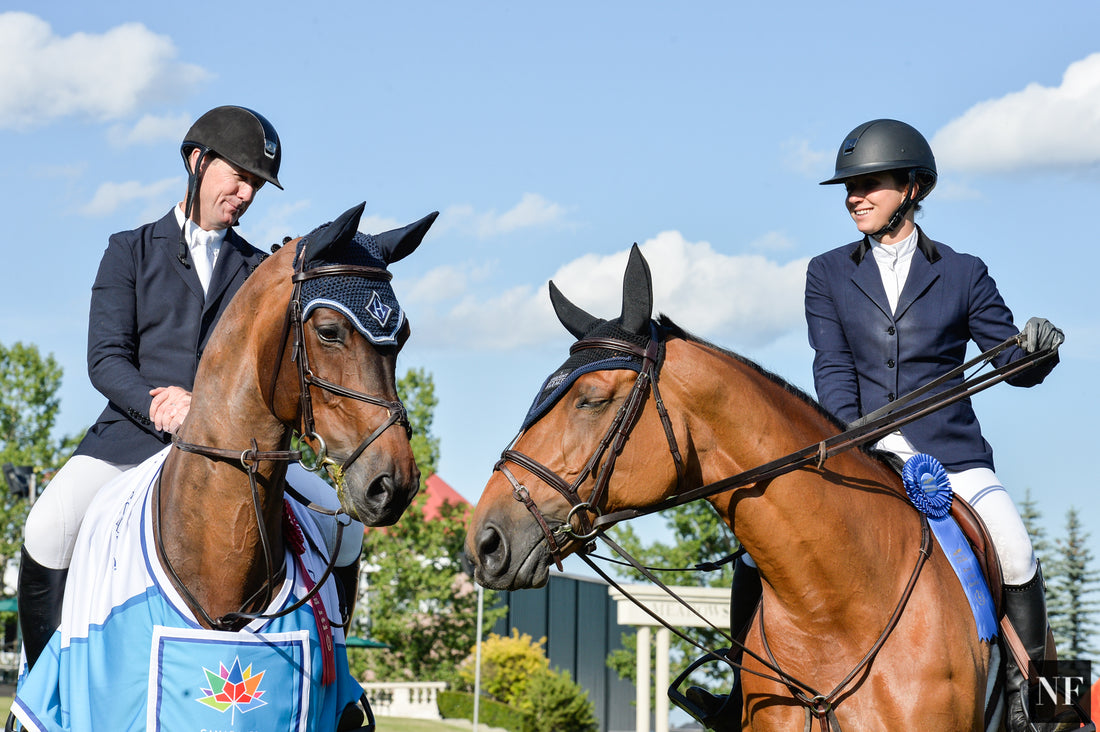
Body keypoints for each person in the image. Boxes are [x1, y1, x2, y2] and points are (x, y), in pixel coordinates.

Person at [17, 106, 363, 674]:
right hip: (131, 438)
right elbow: (105, 359)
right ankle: (41, 688)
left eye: (256, 184)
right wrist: (160, 402)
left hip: (235, 448)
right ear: (198, 161)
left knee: (342, 521)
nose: (247, 193)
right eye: (240, 175)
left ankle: (336, 675)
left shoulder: (259, 269)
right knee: (48, 525)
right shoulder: (128, 249)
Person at [804, 119, 1063, 731]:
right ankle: (741, 692)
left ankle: (1052, 708)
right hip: (862, 453)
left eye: (870, 183)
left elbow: (1009, 364)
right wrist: (871, 437)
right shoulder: (827, 273)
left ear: (914, 188)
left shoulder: (964, 272)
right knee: (755, 556)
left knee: (1018, 551)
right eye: (849, 187)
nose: (854, 197)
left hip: (954, 459)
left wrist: (1037, 351)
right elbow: (832, 370)